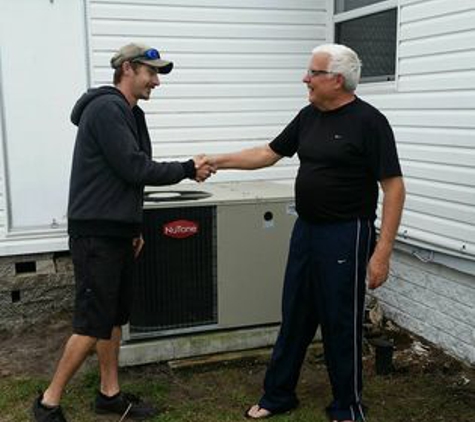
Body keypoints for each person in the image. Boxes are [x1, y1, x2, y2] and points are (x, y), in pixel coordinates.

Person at [208, 44, 405, 421]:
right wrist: (216, 160)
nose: (305, 79)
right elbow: (267, 153)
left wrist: (382, 252)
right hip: (307, 230)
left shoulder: (369, 122)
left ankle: (347, 406)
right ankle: (278, 395)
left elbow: (393, 187)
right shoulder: (308, 116)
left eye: (312, 73)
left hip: (347, 233)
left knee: (339, 320)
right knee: (295, 313)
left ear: (336, 79)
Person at [32, 43, 215, 422]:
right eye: (152, 73)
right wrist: (186, 167)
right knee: (91, 321)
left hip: (117, 230)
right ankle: (48, 402)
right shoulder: (105, 109)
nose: (156, 82)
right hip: (96, 233)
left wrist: (134, 227)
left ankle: (109, 394)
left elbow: (129, 179)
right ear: (128, 69)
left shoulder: (132, 114)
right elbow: (135, 168)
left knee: (113, 318)